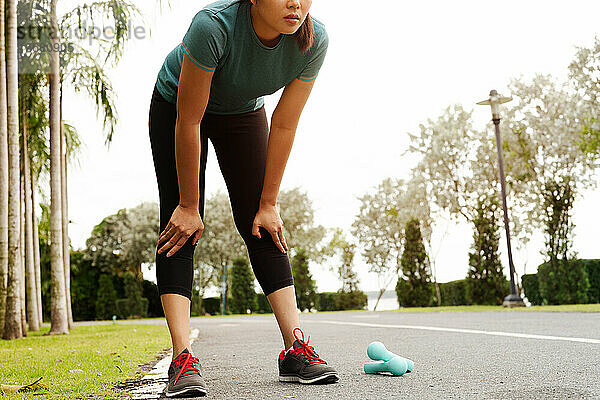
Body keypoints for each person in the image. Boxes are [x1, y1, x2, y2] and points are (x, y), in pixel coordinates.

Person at [148, 0, 337, 396]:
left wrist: (269, 203)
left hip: (243, 113)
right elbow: (191, 119)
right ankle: (182, 358)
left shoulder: (313, 39)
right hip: (179, 108)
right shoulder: (213, 26)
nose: (295, 3)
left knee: (262, 221)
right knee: (180, 224)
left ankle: (295, 348)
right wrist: (188, 204)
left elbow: (285, 123)